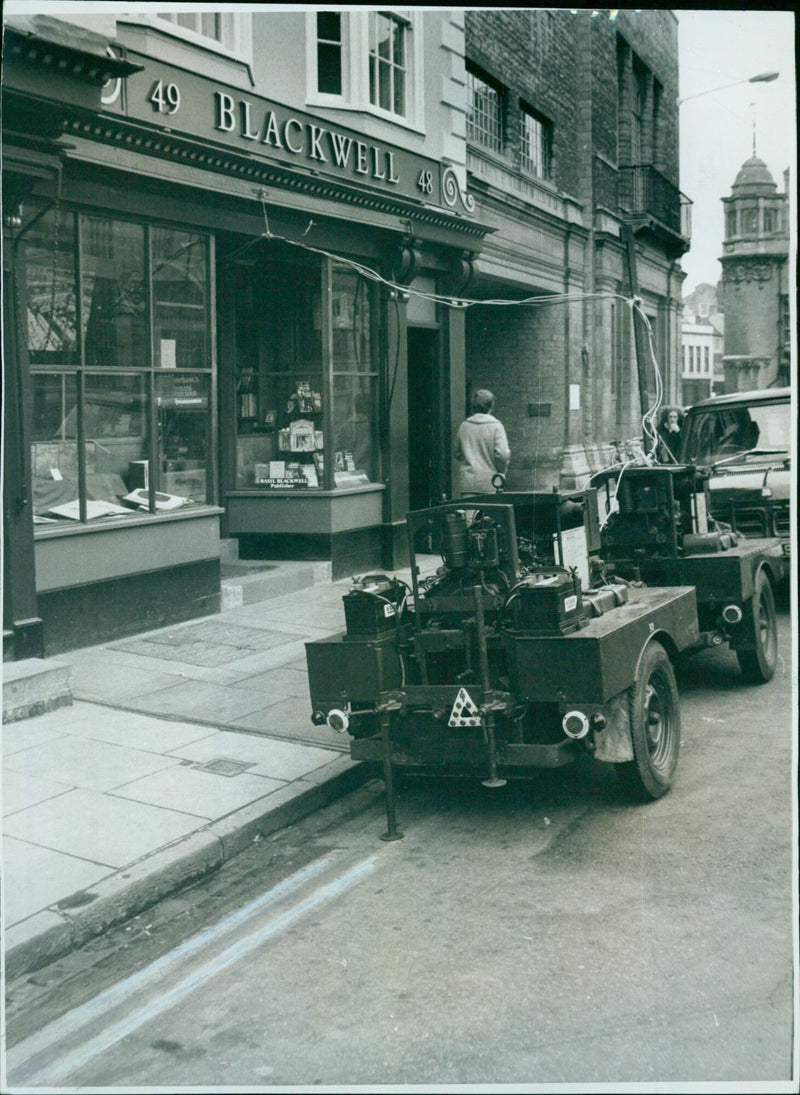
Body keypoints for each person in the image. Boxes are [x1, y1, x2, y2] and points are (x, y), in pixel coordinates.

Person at [455, 389, 510, 495]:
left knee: (469, 511)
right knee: (490, 511)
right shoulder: (496, 426)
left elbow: (457, 453)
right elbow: (502, 455)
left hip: (468, 483)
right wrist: (501, 472)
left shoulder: (464, 426)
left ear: (473, 406)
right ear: (491, 405)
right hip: (491, 482)